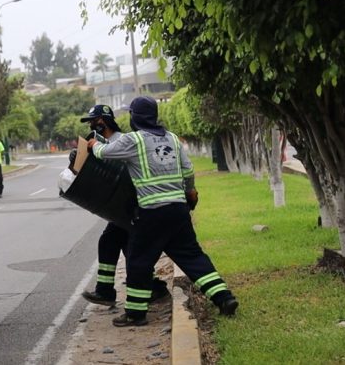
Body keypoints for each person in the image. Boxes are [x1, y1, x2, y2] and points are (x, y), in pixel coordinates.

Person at [89, 97, 238, 327]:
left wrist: (93, 145)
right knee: (193, 257)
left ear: (134, 116)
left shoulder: (134, 139)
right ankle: (224, 297)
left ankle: (136, 314)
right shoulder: (172, 138)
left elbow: (104, 153)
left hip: (151, 213)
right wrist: (190, 192)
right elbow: (188, 171)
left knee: (139, 261)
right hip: (178, 211)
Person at [74, 105, 170, 307]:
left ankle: (144, 289)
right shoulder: (101, 143)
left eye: (94, 120)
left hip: (133, 205)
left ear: (103, 121)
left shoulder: (122, 140)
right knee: (114, 243)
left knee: (128, 249)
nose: (91, 125)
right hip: (121, 207)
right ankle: (112, 290)